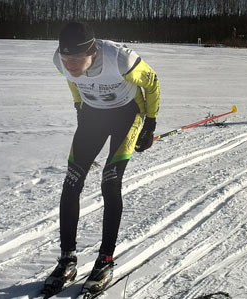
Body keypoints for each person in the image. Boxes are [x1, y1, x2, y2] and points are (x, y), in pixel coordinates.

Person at [42, 22, 160, 297]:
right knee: (71, 183)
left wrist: (151, 122)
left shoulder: (121, 59)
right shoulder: (60, 62)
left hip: (127, 115)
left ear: (92, 52)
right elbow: (73, 81)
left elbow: (152, 81)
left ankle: (105, 260)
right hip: (93, 115)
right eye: (65, 58)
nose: (69, 64)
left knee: (110, 182)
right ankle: (67, 259)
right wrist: (79, 106)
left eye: (76, 58)